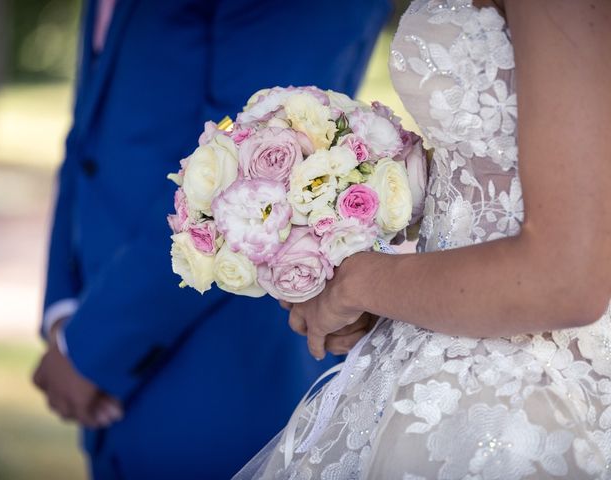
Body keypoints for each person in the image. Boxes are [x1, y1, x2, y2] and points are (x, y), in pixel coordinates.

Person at [235, 0, 611, 478]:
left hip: (525, 384)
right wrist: (348, 211)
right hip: (446, 331)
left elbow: (567, 280)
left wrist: (358, 282)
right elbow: (495, 167)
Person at [32, 0, 392, 478]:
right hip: (101, 338)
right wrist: (63, 311)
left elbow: (246, 159)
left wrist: (94, 346)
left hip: (220, 361)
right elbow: (86, 142)